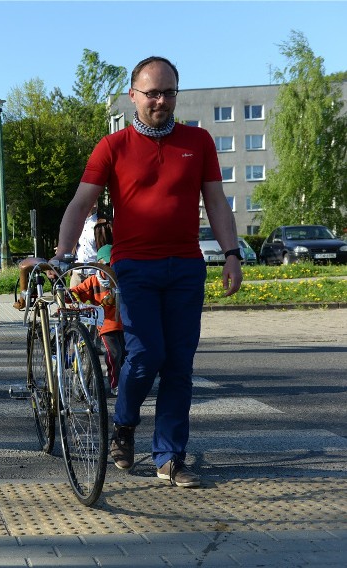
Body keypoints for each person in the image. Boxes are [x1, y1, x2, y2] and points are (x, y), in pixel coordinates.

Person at [52, 56, 242, 489]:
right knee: (146, 354)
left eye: (169, 92)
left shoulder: (199, 141)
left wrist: (231, 253)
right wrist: (63, 255)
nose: (161, 100)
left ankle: (170, 457)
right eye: (152, 92)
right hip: (134, 266)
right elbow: (82, 203)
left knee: (179, 365)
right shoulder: (112, 146)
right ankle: (123, 424)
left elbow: (216, 202)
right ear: (133, 94)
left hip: (186, 267)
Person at [69, 244, 123, 396]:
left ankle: (126, 382)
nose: (109, 268)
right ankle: (115, 384)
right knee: (114, 353)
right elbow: (76, 291)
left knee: (127, 354)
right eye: (105, 265)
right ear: (98, 265)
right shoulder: (93, 281)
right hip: (106, 324)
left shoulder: (123, 279)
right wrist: (68, 295)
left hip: (125, 324)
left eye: (112, 264)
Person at [68, 202, 99, 288]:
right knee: (73, 300)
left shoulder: (103, 223)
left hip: (95, 272)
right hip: (77, 271)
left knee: (98, 301)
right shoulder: (76, 223)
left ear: (95, 204)